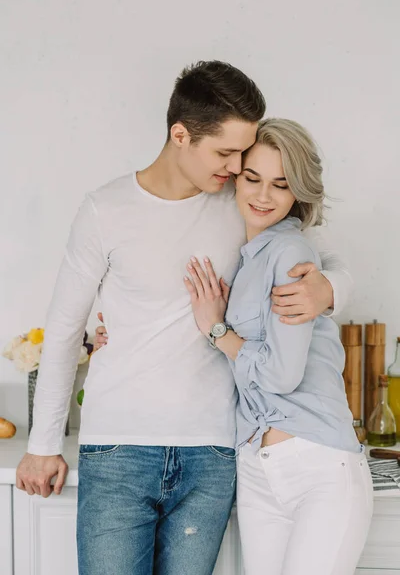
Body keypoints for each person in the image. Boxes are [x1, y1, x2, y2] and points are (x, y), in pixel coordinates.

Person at [16, 61, 353, 575]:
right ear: (181, 135)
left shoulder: (243, 202)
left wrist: (330, 290)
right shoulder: (105, 209)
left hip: (213, 451)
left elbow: (330, 260)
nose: (238, 166)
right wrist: (43, 443)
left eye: (243, 153)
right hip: (118, 448)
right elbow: (64, 330)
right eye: (226, 152)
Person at [182, 118, 373, 575]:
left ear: (297, 193)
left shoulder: (292, 252)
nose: (263, 196)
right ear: (236, 177)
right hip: (256, 466)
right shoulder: (248, 255)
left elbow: (281, 377)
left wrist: (217, 331)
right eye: (253, 179)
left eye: (281, 185)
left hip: (319, 463)